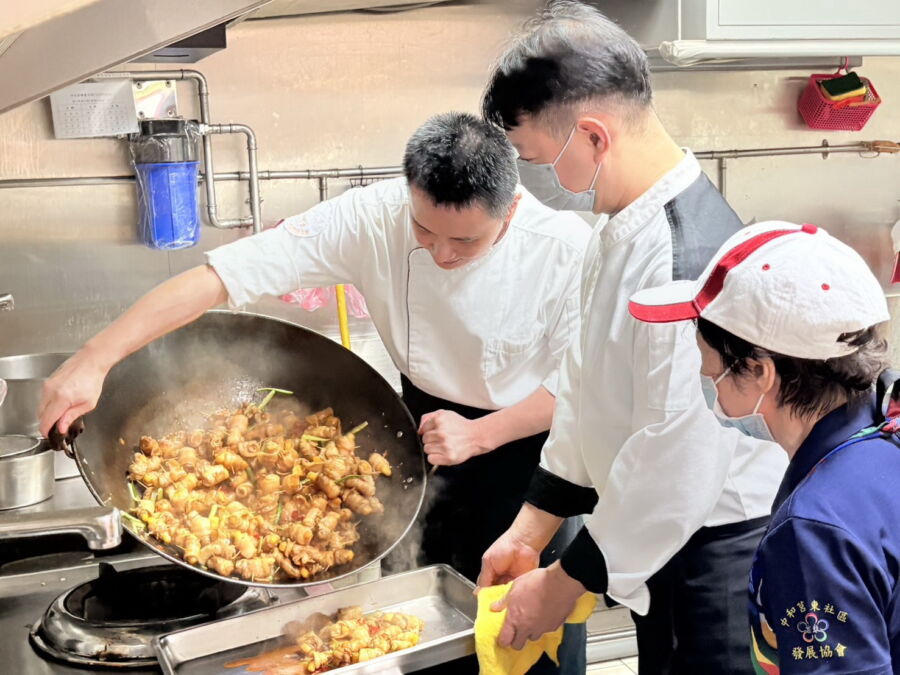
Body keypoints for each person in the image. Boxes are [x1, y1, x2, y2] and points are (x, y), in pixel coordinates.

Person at [38, 112, 590, 674]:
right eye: (425, 232)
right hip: (423, 442)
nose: (442, 254)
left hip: (530, 465)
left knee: (525, 645)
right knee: (419, 635)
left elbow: (587, 387)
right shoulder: (371, 216)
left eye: (465, 240)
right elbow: (222, 276)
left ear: (512, 208)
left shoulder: (568, 251)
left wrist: (483, 433)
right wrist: (94, 359)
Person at [475, 3, 787, 673]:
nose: (547, 180)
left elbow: (675, 467)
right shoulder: (621, 226)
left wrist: (561, 586)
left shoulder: (685, 261)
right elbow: (585, 392)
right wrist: (531, 526)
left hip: (718, 556)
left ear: (592, 135)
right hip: (660, 542)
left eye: (538, 160)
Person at [628, 220, 898, 673]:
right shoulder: (885, 428)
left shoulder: (814, 531)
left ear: (759, 372)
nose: (706, 386)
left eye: (709, 371)